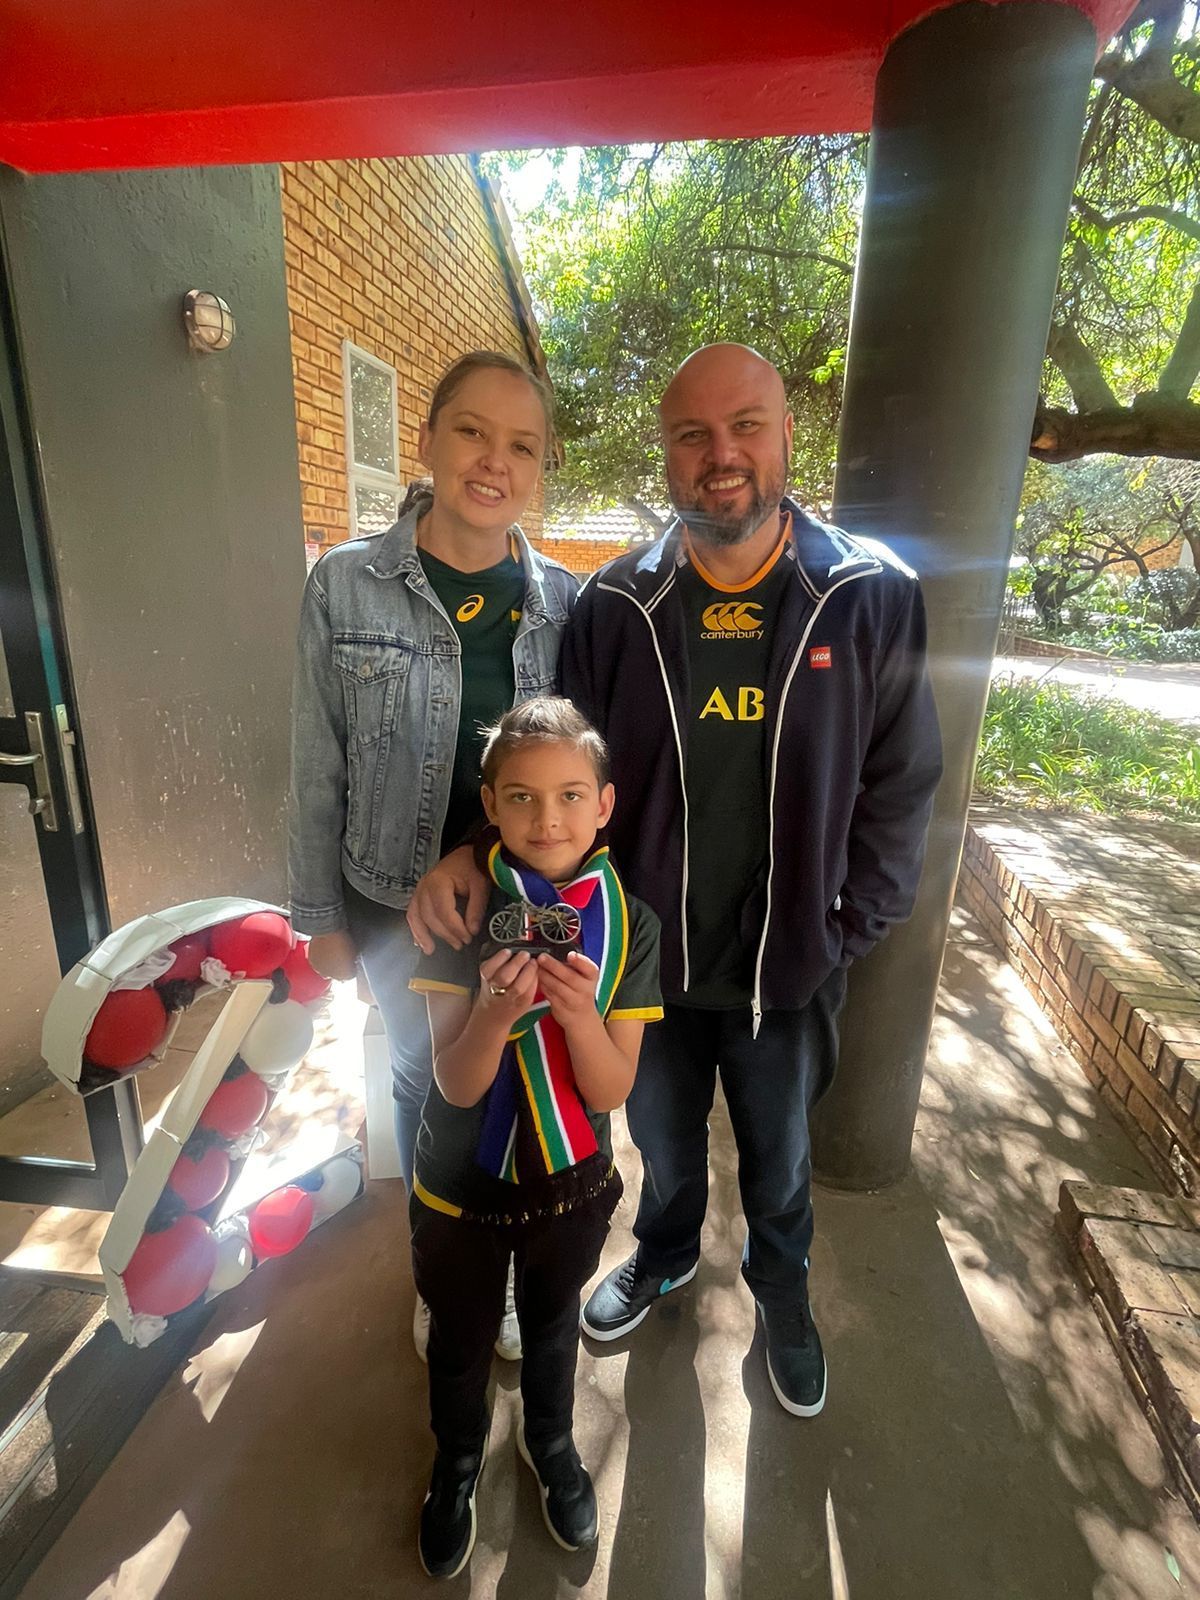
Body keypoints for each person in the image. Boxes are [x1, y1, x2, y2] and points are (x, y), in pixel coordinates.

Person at [408, 343, 942, 1420]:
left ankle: (782, 1294)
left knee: (782, 1162)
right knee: (660, 1144)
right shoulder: (617, 606)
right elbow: (554, 773)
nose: (721, 455)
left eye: (746, 425)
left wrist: (847, 926)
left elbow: (903, 779)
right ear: (667, 454)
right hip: (643, 963)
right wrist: (478, 842)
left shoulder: (868, 595)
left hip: (788, 964)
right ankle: (661, 1254)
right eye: (692, 435)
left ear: (788, 435)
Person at [288, 350, 578, 1359]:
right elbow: (315, 764)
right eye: (471, 431)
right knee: (421, 1087)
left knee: (505, 1083)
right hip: (383, 901)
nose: (493, 461)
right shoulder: (344, 586)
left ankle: (501, 1271)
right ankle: (442, 1273)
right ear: (426, 439)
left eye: (521, 445)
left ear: (540, 470)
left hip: (520, 903)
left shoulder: (565, 605)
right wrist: (315, 917)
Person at [408, 697, 661, 1578]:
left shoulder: (634, 925)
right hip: (459, 1181)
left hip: (571, 1180)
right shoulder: (456, 916)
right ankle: (459, 1460)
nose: (546, 818)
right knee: (461, 1335)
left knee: (554, 1325)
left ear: (605, 804)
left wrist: (579, 1016)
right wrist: (493, 1014)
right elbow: (454, 1080)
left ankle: (552, 1444)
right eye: (519, 797)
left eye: (569, 795)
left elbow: (611, 1085)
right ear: (489, 804)